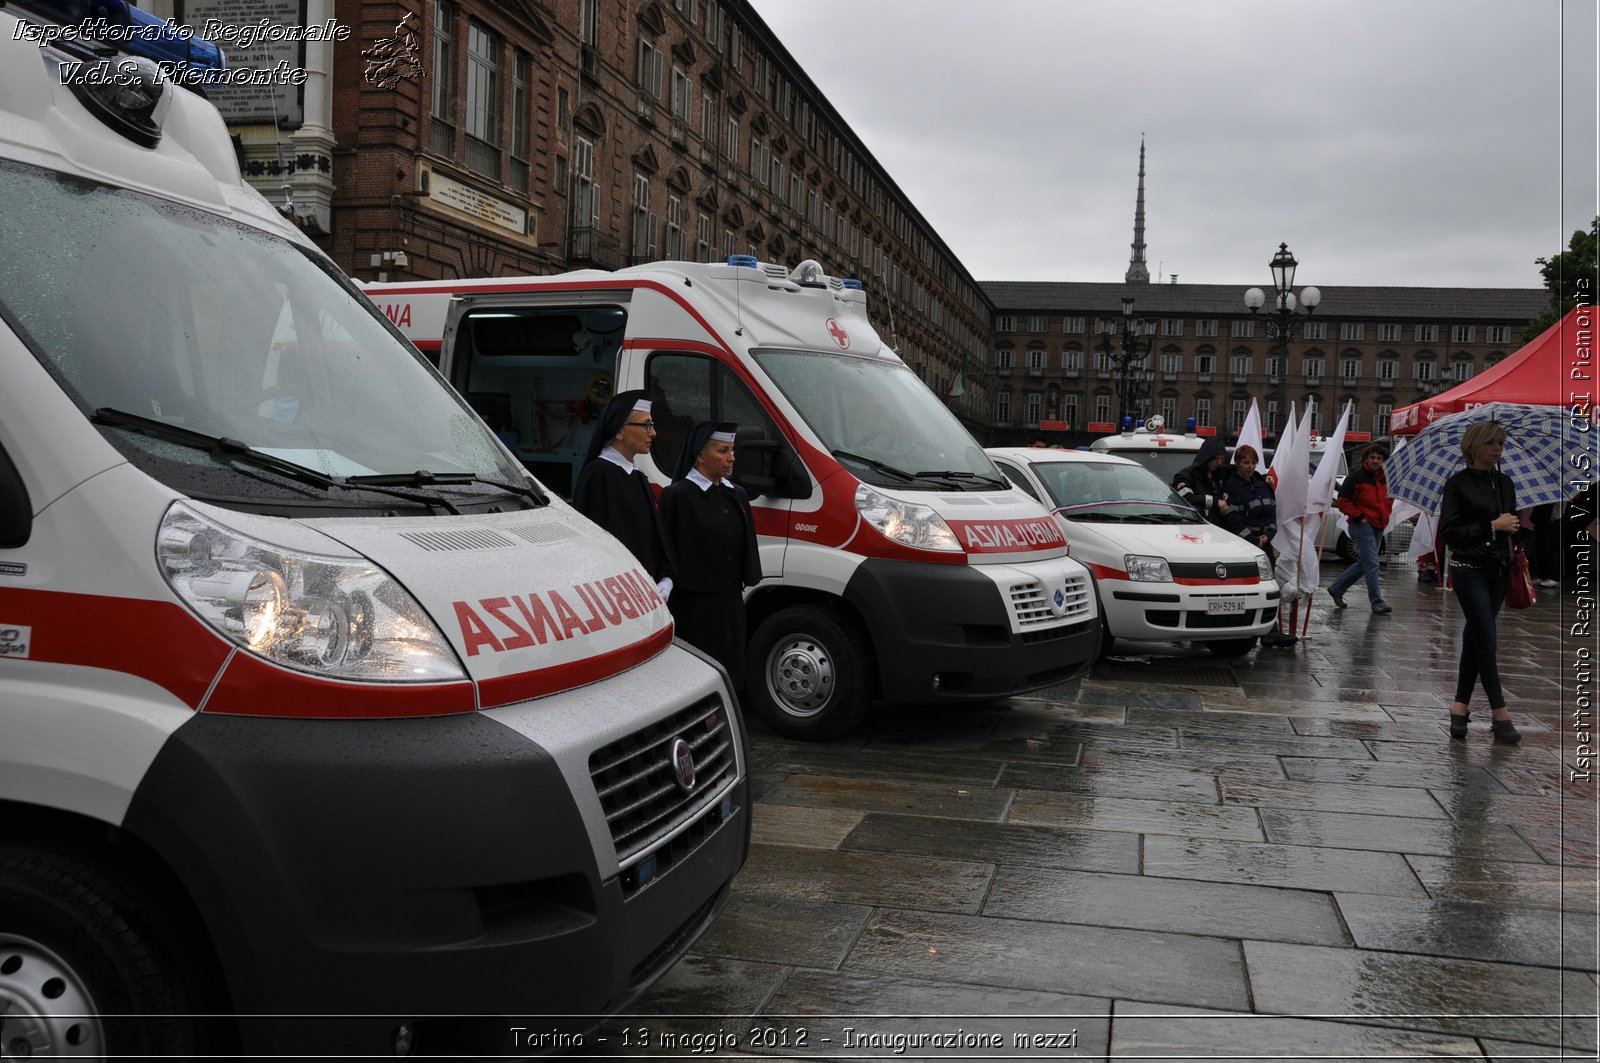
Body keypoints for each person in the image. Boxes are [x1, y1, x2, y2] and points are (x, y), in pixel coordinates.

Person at [659, 422, 762, 686]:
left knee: (731, 671)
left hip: (730, 603)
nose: (732, 458)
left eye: (733, 450)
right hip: (695, 608)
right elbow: (665, 548)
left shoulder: (736, 494)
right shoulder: (678, 496)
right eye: (723, 450)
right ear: (700, 455)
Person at [1440, 421, 1521, 743]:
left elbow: (1510, 522)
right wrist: (1492, 526)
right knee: (1487, 639)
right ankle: (1500, 714)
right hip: (1468, 568)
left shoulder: (1505, 483)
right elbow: (1450, 533)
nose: (1497, 449)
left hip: (1499, 569)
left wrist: (1512, 528)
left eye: (1501, 443)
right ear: (1474, 447)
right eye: (1490, 443)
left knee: (1476, 637)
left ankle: (1459, 707)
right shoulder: (1457, 484)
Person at [571, 389, 675, 598]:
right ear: (619, 430)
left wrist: (665, 576)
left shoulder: (636, 475)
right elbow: (593, 548)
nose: (653, 433)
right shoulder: (599, 475)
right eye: (646, 425)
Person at [1221, 444, 1295, 647]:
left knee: (1270, 587)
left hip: (1264, 544)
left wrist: (1268, 535)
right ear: (1237, 463)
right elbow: (1232, 518)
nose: (1250, 466)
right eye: (1246, 462)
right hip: (1243, 546)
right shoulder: (1231, 487)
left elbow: (1272, 512)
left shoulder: (1262, 484)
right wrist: (1253, 540)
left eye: (1253, 463)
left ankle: (1271, 631)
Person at [1328, 442, 1394, 614]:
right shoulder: (1356, 477)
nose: (1376, 461)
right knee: (1372, 563)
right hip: (1362, 524)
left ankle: (1337, 587)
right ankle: (1376, 601)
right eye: (1372, 457)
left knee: (1365, 562)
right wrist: (1359, 517)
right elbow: (1343, 500)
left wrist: (1386, 513)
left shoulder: (1385, 477)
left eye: (1379, 458)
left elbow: (1388, 498)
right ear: (1366, 459)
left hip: (1378, 524)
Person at [1172, 436, 1230, 524]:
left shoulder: (1219, 475)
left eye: (1221, 459)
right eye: (1216, 459)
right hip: (1193, 526)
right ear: (1207, 457)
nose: (1219, 463)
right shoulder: (1186, 475)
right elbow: (1186, 497)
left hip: (1216, 529)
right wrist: (1215, 502)